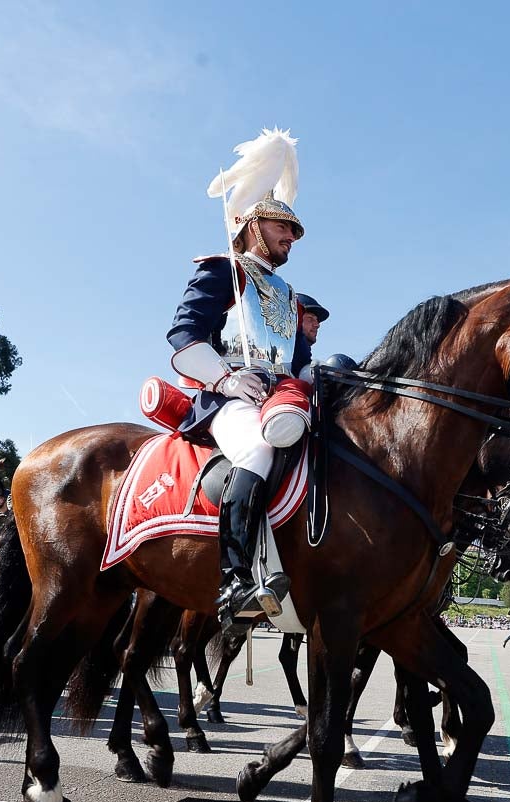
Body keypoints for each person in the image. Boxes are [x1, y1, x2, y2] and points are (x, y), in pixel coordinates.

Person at [167, 129, 315, 633]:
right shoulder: (222, 272)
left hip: (281, 399)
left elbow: (297, 363)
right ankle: (235, 578)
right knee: (256, 449)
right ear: (253, 225)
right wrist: (227, 380)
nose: (290, 237)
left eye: (294, 232)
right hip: (228, 399)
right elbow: (184, 339)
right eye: (283, 227)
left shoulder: (290, 295)